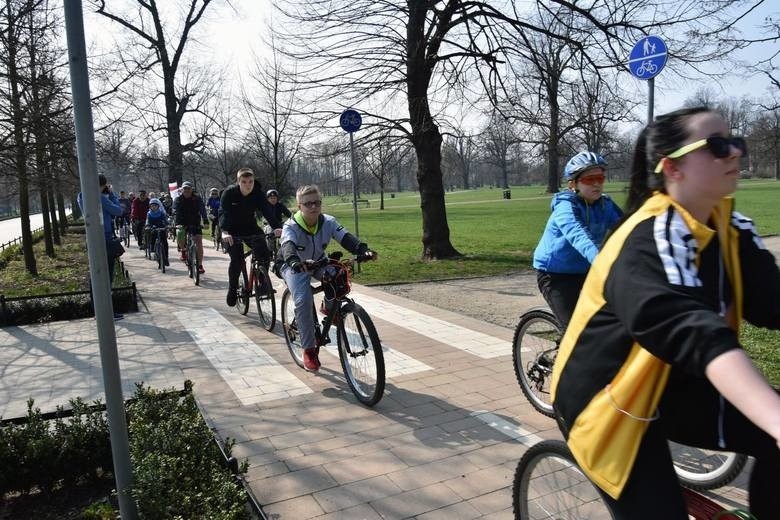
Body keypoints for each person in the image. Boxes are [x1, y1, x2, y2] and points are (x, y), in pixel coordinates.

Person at [550, 106, 780, 519]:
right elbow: (693, 330)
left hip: (674, 383)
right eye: (717, 145)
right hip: (608, 405)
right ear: (672, 167)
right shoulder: (649, 238)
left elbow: (773, 301)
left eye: (736, 141)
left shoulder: (733, 227)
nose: (735, 152)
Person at [278, 184, 376, 372]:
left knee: (338, 274)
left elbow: (345, 237)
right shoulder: (291, 225)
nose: (313, 207)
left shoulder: (328, 221)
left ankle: (329, 309)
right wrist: (293, 261)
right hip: (292, 265)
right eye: (308, 204)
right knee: (303, 300)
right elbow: (288, 246)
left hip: (318, 262)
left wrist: (362, 250)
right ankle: (309, 350)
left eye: (317, 202)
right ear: (299, 207)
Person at [531, 151, 623, 330]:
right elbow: (578, 235)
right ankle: (566, 355)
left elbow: (629, 227)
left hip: (586, 270)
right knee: (575, 331)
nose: (597, 183)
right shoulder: (565, 206)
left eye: (600, 178)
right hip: (555, 274)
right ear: (573, 183)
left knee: (614, 318)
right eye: (589, 179)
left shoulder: (606, 205)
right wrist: (601, 261)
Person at [220, 168, 283, 307]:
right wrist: (224, 231)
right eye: (244, 182)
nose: (248, 185)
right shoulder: (229, 193)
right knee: (237, 259)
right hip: (231, 230)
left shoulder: (257, 193)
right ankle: (232, 288)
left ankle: (262, 282)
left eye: (251, 181)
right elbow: (224, 213)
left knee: (265, 254)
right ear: (238, 182)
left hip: (250, 227)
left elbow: (267, 211)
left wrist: (277, 227)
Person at [77, 174, 124, 320]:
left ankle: (97, 310)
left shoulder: (81, 196)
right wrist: (111, 194)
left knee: (95, 276)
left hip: (91, 239)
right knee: (106, 276)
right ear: (103, 185)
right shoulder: (101, 198)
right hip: (105, 238)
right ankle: (107, 311)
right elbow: (118, 211)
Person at [173, 181, 208, 272]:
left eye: (188, 188)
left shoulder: (197, 199)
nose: (187, 190)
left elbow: (202, 210)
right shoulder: (178, 199)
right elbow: (175, 211)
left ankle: (200, 265)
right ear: (182, 189)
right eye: (185, 188)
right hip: (182, 221)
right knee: (180, 233)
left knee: (199, 241)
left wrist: (205, 221)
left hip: (195, 221)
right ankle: (183, 250)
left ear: (192, 189)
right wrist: (178, 223)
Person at [264, 189, 292, 253]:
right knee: (269, 235)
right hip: (269, 224)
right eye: (271, 198)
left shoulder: (280, 205)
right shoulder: (265, 206)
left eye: (274, 198)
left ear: (277, 198)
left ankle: (283, 250)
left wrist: (293, 220)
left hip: (279, 224)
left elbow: (289, 214)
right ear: (268, 199)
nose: (273, 199)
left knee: (286, 233)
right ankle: (269, 252)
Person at [145, 198, 169, 266]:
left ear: (158, 206)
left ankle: (166, 258)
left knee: (165, 242)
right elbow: (147, 221)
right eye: (152, 206)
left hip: (161, 228)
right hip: (153, 228)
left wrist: (167, 225)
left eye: (155, 205)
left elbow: (165, 220)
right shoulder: (149, 213)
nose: (154, 207)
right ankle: (152, 250)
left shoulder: (161, 213)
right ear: (150, 206)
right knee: (152, 237)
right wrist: (147, 226)